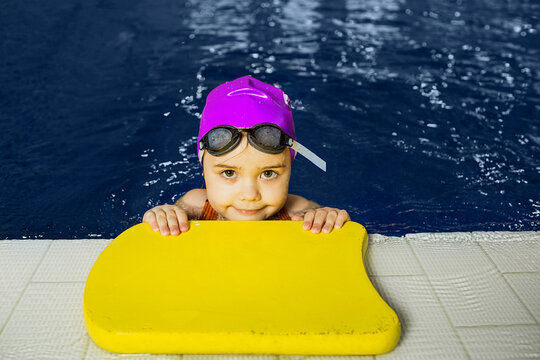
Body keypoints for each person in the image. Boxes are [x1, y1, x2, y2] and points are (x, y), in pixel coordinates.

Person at [143, 75, 350, 236]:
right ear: (204, 171)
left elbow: (327, 222)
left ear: (289, 168)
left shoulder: (298, 210)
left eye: (268, 173)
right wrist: (164, 215)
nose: (250, 195)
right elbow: (166, 220)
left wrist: (326, 217)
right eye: (229, 173)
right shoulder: (196, 204)